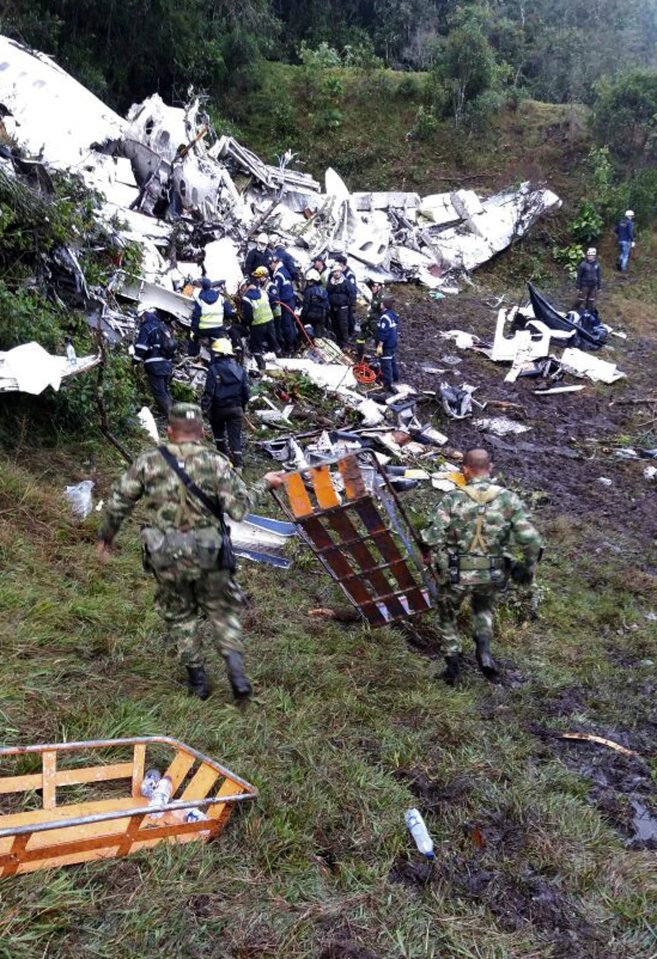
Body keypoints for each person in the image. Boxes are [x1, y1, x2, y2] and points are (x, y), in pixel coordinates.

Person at [97, 403, 285, 701]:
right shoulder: (216, 462)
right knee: (222, 610)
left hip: (165, 554)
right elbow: (238, 509)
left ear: (169, 431)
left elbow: (119, 501)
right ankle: (236, 672)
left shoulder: (148, 462)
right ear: (201, 432)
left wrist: (106, 538)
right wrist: (265, 483)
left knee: (180, 614)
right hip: (209, 552)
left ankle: (198, 681)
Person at [421, 448, 542, 685]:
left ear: (465, 470)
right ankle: (484, 653)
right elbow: (532, 540)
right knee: (483, 609)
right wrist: (527, 567)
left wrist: (429, 553)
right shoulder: (508, 498)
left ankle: (452, 664)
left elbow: (431, 536)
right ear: (491, 468)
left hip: (457, 571)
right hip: (491, 571)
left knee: (447, 613)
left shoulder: (453, 498)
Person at [201, 339, 250, 469]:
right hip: (236, 409)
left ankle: (223, 461)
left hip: (219, 409)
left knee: (219, 435)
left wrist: (204, 409)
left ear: (217, 353)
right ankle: (238, 466)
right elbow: (246, 392)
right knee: (235, 438)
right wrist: (242, 406)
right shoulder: (240, 370)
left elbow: (209, 392)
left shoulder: (213, 369)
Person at [133, 309, 177, 415]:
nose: (141, 320)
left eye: (142, 317)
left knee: (160, 393)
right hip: (166, 365)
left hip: (155, 366)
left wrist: (134, 362)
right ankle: (172, 415)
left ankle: (173, 419)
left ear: (146, 314)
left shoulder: (147, 328)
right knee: (165, 391)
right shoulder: (163, 327)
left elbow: (141, 347)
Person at [242, 267, 280, 370]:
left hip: (258, 325)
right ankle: (279, 358)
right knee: (273, 341)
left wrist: (247, 325)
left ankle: (261, 367)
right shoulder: (263, 292)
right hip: (269, 320)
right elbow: (275, 299)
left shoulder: (246, 298)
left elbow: (248, 316)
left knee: (256, 347)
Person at [188, 277, 237, 357]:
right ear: (211, 286)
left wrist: (194, 330)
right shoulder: (220, 298)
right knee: (219, 347)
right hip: (218, 329)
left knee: (192, 337)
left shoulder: (199, 299)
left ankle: (193, 356)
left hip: (203, 330)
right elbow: (228, 313)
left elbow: (196, 317)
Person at [271, 255, 298, 353]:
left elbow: (276, 291)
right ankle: (294, 343)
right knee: (290, 324)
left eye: (271, 264)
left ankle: (290, 347)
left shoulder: (278, 275)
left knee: (286, 325)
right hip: (290, 301)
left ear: (275, 262)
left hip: (285, 303)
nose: (270, 266)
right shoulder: (284, 271)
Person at [374, 295, 400, 390]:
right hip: (393, 343)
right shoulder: (393, 314)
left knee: (386, 364)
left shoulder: (385, 317)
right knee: (392, 361)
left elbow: (384, 332)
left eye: (382, 303)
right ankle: (396, 379)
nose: (380, 304)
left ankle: (387, 385)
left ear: (385, 305)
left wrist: (380, 345)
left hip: (386, 345)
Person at [356, 279, 384, 360]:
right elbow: (372, 310)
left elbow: (381, 312)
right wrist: (366, 322)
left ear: (379, 286)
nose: (373, 288)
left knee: (378, 343)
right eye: (372, 286)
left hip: (377, 325)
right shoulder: (375, 295)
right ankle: (360, 356)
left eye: (375, 286)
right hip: (371, 322)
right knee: (360, 338)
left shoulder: (382, 298)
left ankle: (380, 359)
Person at [326, 268, 352, 348]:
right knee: (335, 325)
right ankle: (338, 342)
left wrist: (352, 304)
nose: (336, 273)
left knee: (343, 325)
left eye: (337, 271)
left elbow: (351, 293)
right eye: (334, 272)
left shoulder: (346, 282)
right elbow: (328, 293)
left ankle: (346, 343)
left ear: (340, 272)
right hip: (333, 307)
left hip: (343, 307)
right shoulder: (330, 283)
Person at [301, 269, 330, 338]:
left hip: (310, 316)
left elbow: (306, 306)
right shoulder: (324, 291)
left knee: (308, 333)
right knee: (319, 335)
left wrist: (302, 317)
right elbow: (327, 306)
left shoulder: (308, 291)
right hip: (321, 316)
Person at [334, 254, 358, 335]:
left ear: (341, 264)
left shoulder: (349, 275)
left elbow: (353, 290)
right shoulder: (339, 273)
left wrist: (353, 303)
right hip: (341, 300)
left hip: (348, 300)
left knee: (349, 318)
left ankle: (351, 332)